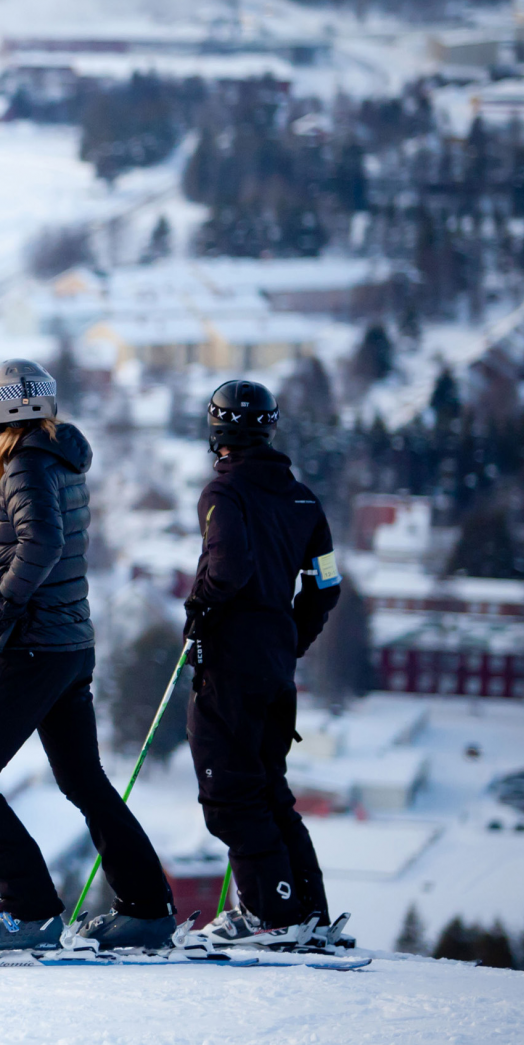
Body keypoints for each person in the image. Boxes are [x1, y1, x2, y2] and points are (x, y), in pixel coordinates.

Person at [0, 359, 176, 952]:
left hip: (34, 647)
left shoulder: (23, 463)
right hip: (70, 644)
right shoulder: (59, 458)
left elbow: (41, 540)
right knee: (82, 779)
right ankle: (147, 910)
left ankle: (29, 912)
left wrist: (2, 605)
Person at [183, 379, 343, 951]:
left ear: (217, 431)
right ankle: (307, 911)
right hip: (275, 666)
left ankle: (269, 913)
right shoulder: (304, 501)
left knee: (229, 792)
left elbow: (228, 566)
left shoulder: (222, 494)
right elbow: (326, 583)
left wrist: (199, 609)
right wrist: (290, 637)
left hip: (230, 661)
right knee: (269, 788)